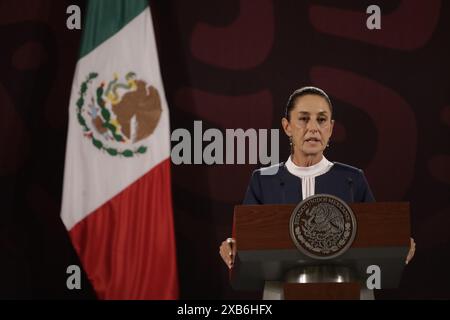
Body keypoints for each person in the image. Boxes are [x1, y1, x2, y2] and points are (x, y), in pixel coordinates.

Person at [219, 86, 416, 297]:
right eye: (304, 119)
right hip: (281, 291)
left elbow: (377, 240)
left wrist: (400, 246)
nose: (313, 128)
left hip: (349, 290)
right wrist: (231, 247)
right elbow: (246, 242)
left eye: (321, 120)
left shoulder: (353, 179)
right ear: (287, 126)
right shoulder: (263, 180)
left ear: (330, 128)